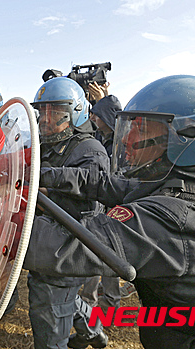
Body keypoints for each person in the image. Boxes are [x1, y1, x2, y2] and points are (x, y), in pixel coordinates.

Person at [24, 75, 195, 349]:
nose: (128, 140)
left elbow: (61, 246)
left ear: (186, 137)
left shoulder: (174, 218)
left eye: (143, 129)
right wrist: (41, 175)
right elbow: (103, 183)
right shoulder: (190, 182)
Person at [27, 76, 109, 349]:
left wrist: (45, 193)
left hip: (65, 248)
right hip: (48, 246)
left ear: (75, 113)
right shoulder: (45, 146)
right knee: (64, 300)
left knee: (49, 315)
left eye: (55, 113)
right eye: (43, 112)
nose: (45, 120)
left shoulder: (90, 149)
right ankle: (93, 329)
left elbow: (91, 201)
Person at [80, 95, 124, 312]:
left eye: (98, 114)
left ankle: (105, 300)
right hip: (102, 201)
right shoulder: (100, 138)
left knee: (109, 254)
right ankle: (98, 299)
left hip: (116, 203)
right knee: (100, 251)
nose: (94, 118)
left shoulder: (120, 140)